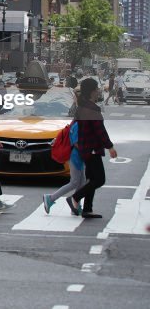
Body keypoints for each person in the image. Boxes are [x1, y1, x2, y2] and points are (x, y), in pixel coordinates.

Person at [70, 77, 117, 219]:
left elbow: (75, 125)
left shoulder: (81, 107)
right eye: (97, 89)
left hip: (85, 148)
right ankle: (75, 198)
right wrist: (110, 147)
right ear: (92, 91)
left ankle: (87, 209)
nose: (98, 91)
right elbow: (100, 131)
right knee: (99, 179)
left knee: (91, 179)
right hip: (92, 149)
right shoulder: (92, 109)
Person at [43, 119, 84, 215]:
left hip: (79, 157)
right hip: (75, 156)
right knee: (74, 182)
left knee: (81, 182)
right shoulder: (78, 124)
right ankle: (51, 198)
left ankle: (76, 206)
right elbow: (76, 143)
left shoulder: (80, 122)